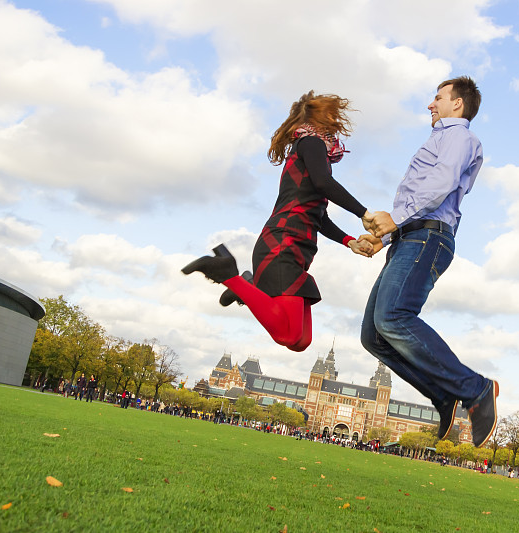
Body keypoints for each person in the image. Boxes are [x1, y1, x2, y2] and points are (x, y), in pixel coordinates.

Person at [359, 76, 497, 448]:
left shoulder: (460, 137)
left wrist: (396, 220)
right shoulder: (439, 138)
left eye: (438, 97)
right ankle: (444, 395)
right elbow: (420, 193)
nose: (430, 104)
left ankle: (476, 390)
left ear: (458, 105)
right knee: (373, 336)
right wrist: (382, 237)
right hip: (409, 236)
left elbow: (440, 184)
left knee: (393, 317)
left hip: (428, 236)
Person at [182, 91, 374, 352]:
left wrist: (349, 241)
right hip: (283, 241)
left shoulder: (314, 150)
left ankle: (246, 287)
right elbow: (323, 184)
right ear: (320, 118)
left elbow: (320, 214)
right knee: (288, 335)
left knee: (300, 341)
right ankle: (228, 274)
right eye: (332, 114)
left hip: (298, 245)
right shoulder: (310, 143)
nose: (337, 121)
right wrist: (364, 213)